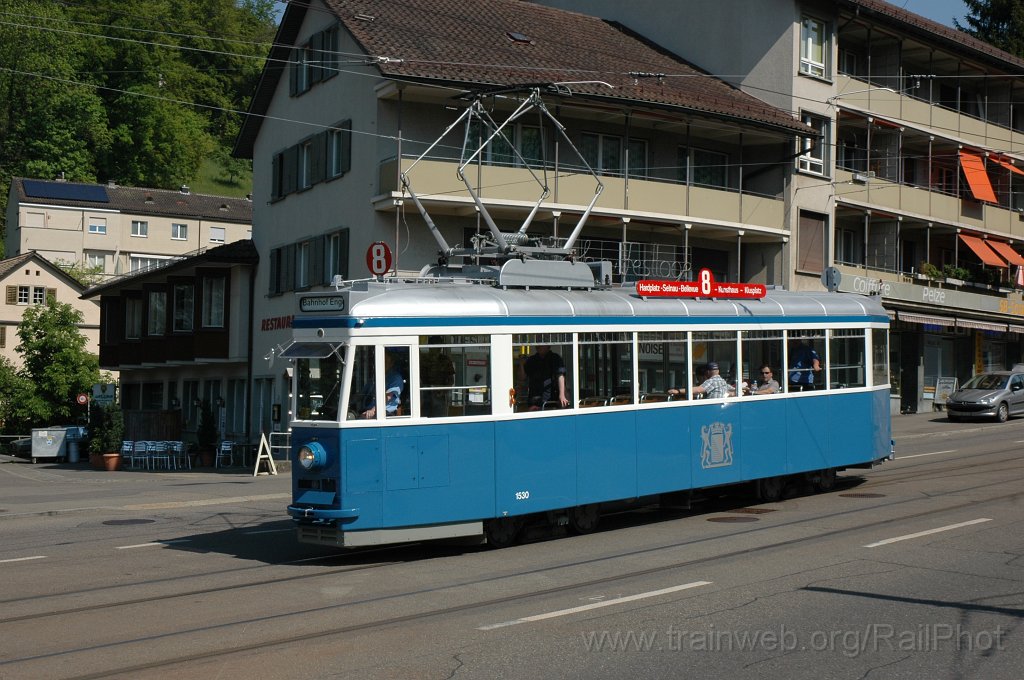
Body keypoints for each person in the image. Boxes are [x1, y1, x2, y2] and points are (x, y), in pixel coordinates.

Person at [519, 344, 568, 410]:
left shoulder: (555, 358)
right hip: (533, 402)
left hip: (550, 402)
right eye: (537, 344)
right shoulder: (532, 360)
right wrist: (521, 364)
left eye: (541, 344)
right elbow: (522, 377)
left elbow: (560, 376)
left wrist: (562, 395)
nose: (538, 346)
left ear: (548, 346)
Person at [359, 351, 404, 418]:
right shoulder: (376, 377)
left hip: (384, 413)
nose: (382, 364)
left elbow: (388, 396)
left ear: (391, 363)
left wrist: (373, 410)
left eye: (385, 361)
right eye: (380, 361)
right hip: (368, 410)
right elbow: (361, 394)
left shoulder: (395, 378)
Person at [420, 337, 455, 417]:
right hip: (424, 395)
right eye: (435, 346)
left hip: (439, 395)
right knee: (424, 418)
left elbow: (451, 380)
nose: (438, 349)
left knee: (439, 418)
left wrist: (443, 391)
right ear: (429, 346)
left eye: (440, 347)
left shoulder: (445, 360)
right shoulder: (423, 360)